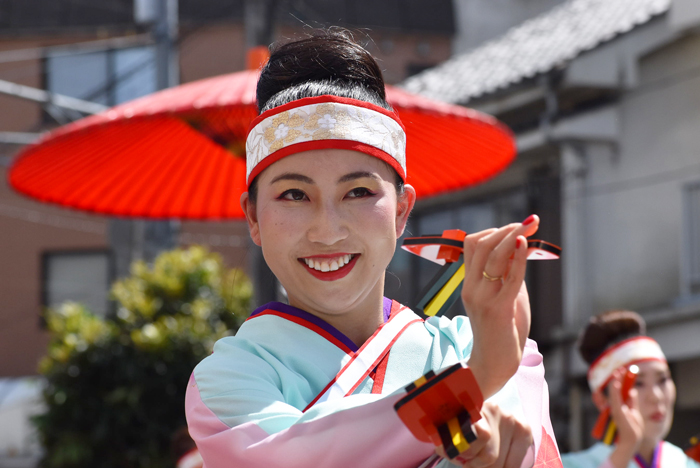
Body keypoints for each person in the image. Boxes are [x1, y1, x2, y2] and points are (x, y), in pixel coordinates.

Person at [185, 30, 562, 468]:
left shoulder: (485, 344)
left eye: (360, 191)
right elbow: (296, 457)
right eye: (293, 195)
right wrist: (472, 385)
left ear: (402, 211)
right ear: (253, 217)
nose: (327, 231)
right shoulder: (226, 379)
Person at [561, 310, 700, 468]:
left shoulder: (686, 463)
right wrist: (626, 447)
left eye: (663, 380)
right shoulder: (568, 464)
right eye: (637, 383)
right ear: (602, 399)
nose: (656, 396)